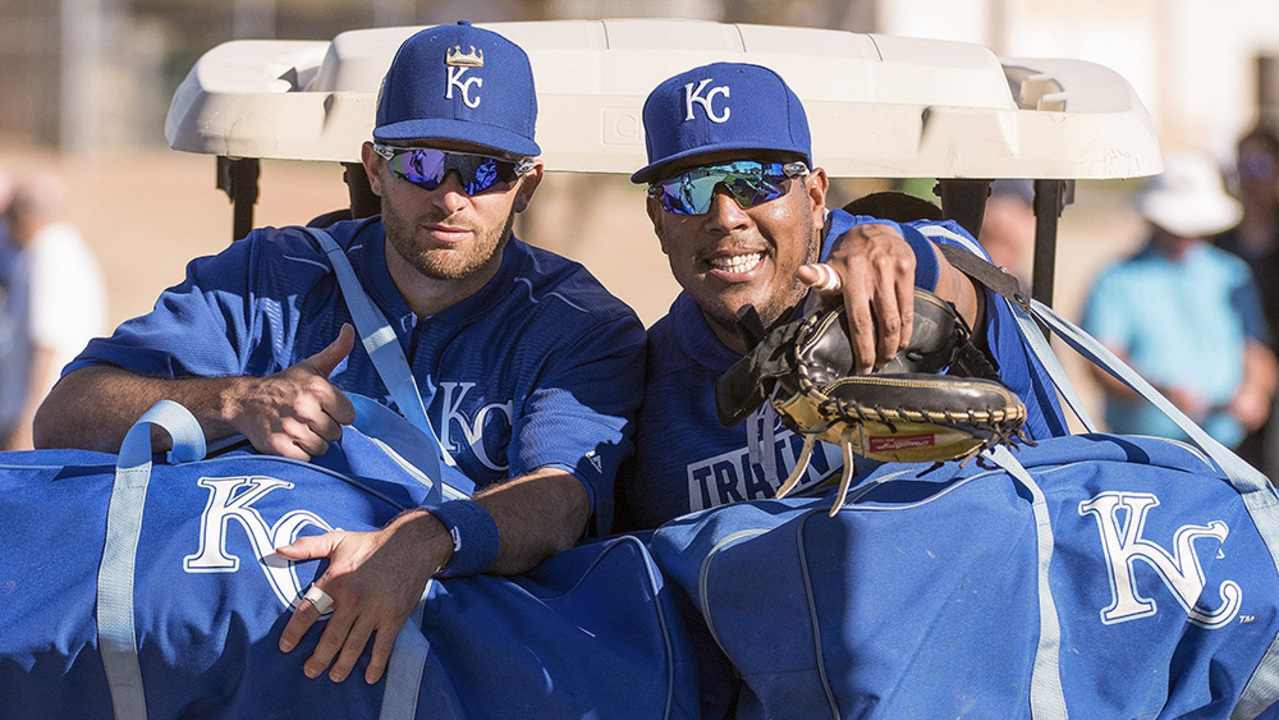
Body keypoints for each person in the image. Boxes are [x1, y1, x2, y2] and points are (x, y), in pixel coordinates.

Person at [34, 21, 646, 686]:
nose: (449, 195)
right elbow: (65, 418)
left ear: (526, 187)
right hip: (238, 663)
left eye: (485, 172)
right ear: (376, 168)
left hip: (455, 680)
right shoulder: (267, 276)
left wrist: (425, 541)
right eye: (421, 161)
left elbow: (560, 503)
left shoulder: (580, 326)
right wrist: (234, 401)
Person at [616, 62, 1067, 531]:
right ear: (658, 220)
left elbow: (957, 285)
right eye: (688, 191)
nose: (726, 217)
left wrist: (900, 259)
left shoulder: (917, 262)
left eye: (756, 181)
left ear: (814, 199)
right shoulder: (643, 387)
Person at [1083, 150, 1277, 457]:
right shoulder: (1116, 279)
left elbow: (1256, 350)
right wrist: (1159, 394)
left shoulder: (1231, 273)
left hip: (1226, 448)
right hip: (1143, 450)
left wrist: (1254, 391)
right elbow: (1101, 363)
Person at [2, 173, 108, 450]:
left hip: (41, 415)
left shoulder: (50, 254)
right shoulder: (55, 249)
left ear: (23, 216)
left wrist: (27, 425)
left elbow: (48, 342)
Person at [1217, 126, 1279, 474]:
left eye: (1261, 166)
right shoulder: (1218, 242)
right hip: (1238, 374)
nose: (1252, 178)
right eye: (1245, 166)